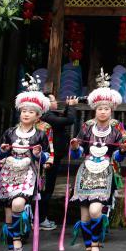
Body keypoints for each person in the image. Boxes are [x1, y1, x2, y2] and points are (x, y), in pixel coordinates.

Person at [68, 74, 126, 251]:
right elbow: (78, 152)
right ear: (95, 110)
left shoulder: (116, 127)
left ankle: (96, 243)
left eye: (106, 109)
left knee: (96, 210)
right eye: (99, 108)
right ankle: (88, 248)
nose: (103, 112)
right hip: (86, 172)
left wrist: (125, 149)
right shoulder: (87, 126)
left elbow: (123, 149)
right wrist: (75, 147)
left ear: (111, 110)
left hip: (105, 172)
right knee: (84, 216)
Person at [0, 78, 54, 251]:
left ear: (38, 116)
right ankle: (11, 248)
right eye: (24, 111)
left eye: (31, 112)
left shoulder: (40, 134)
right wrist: (3, 151)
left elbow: (46, 156)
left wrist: (38, 154)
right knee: (8, 214)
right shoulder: (10, 132)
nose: (26, 114)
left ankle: (17, 238)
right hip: (8, 174)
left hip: (27, 174)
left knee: (18, 204)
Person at [38, 91, 77, 231]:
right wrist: (71, 106)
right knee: (46, 189)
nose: (56, 102)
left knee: (45, 189)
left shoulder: (49, 116)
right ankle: (40, 219)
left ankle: (39, 218)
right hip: (48, 160)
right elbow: (69, 120)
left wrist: (67, 107)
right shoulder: (47, 116)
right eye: (53, 100)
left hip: (52, 158)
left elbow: (63, 119)